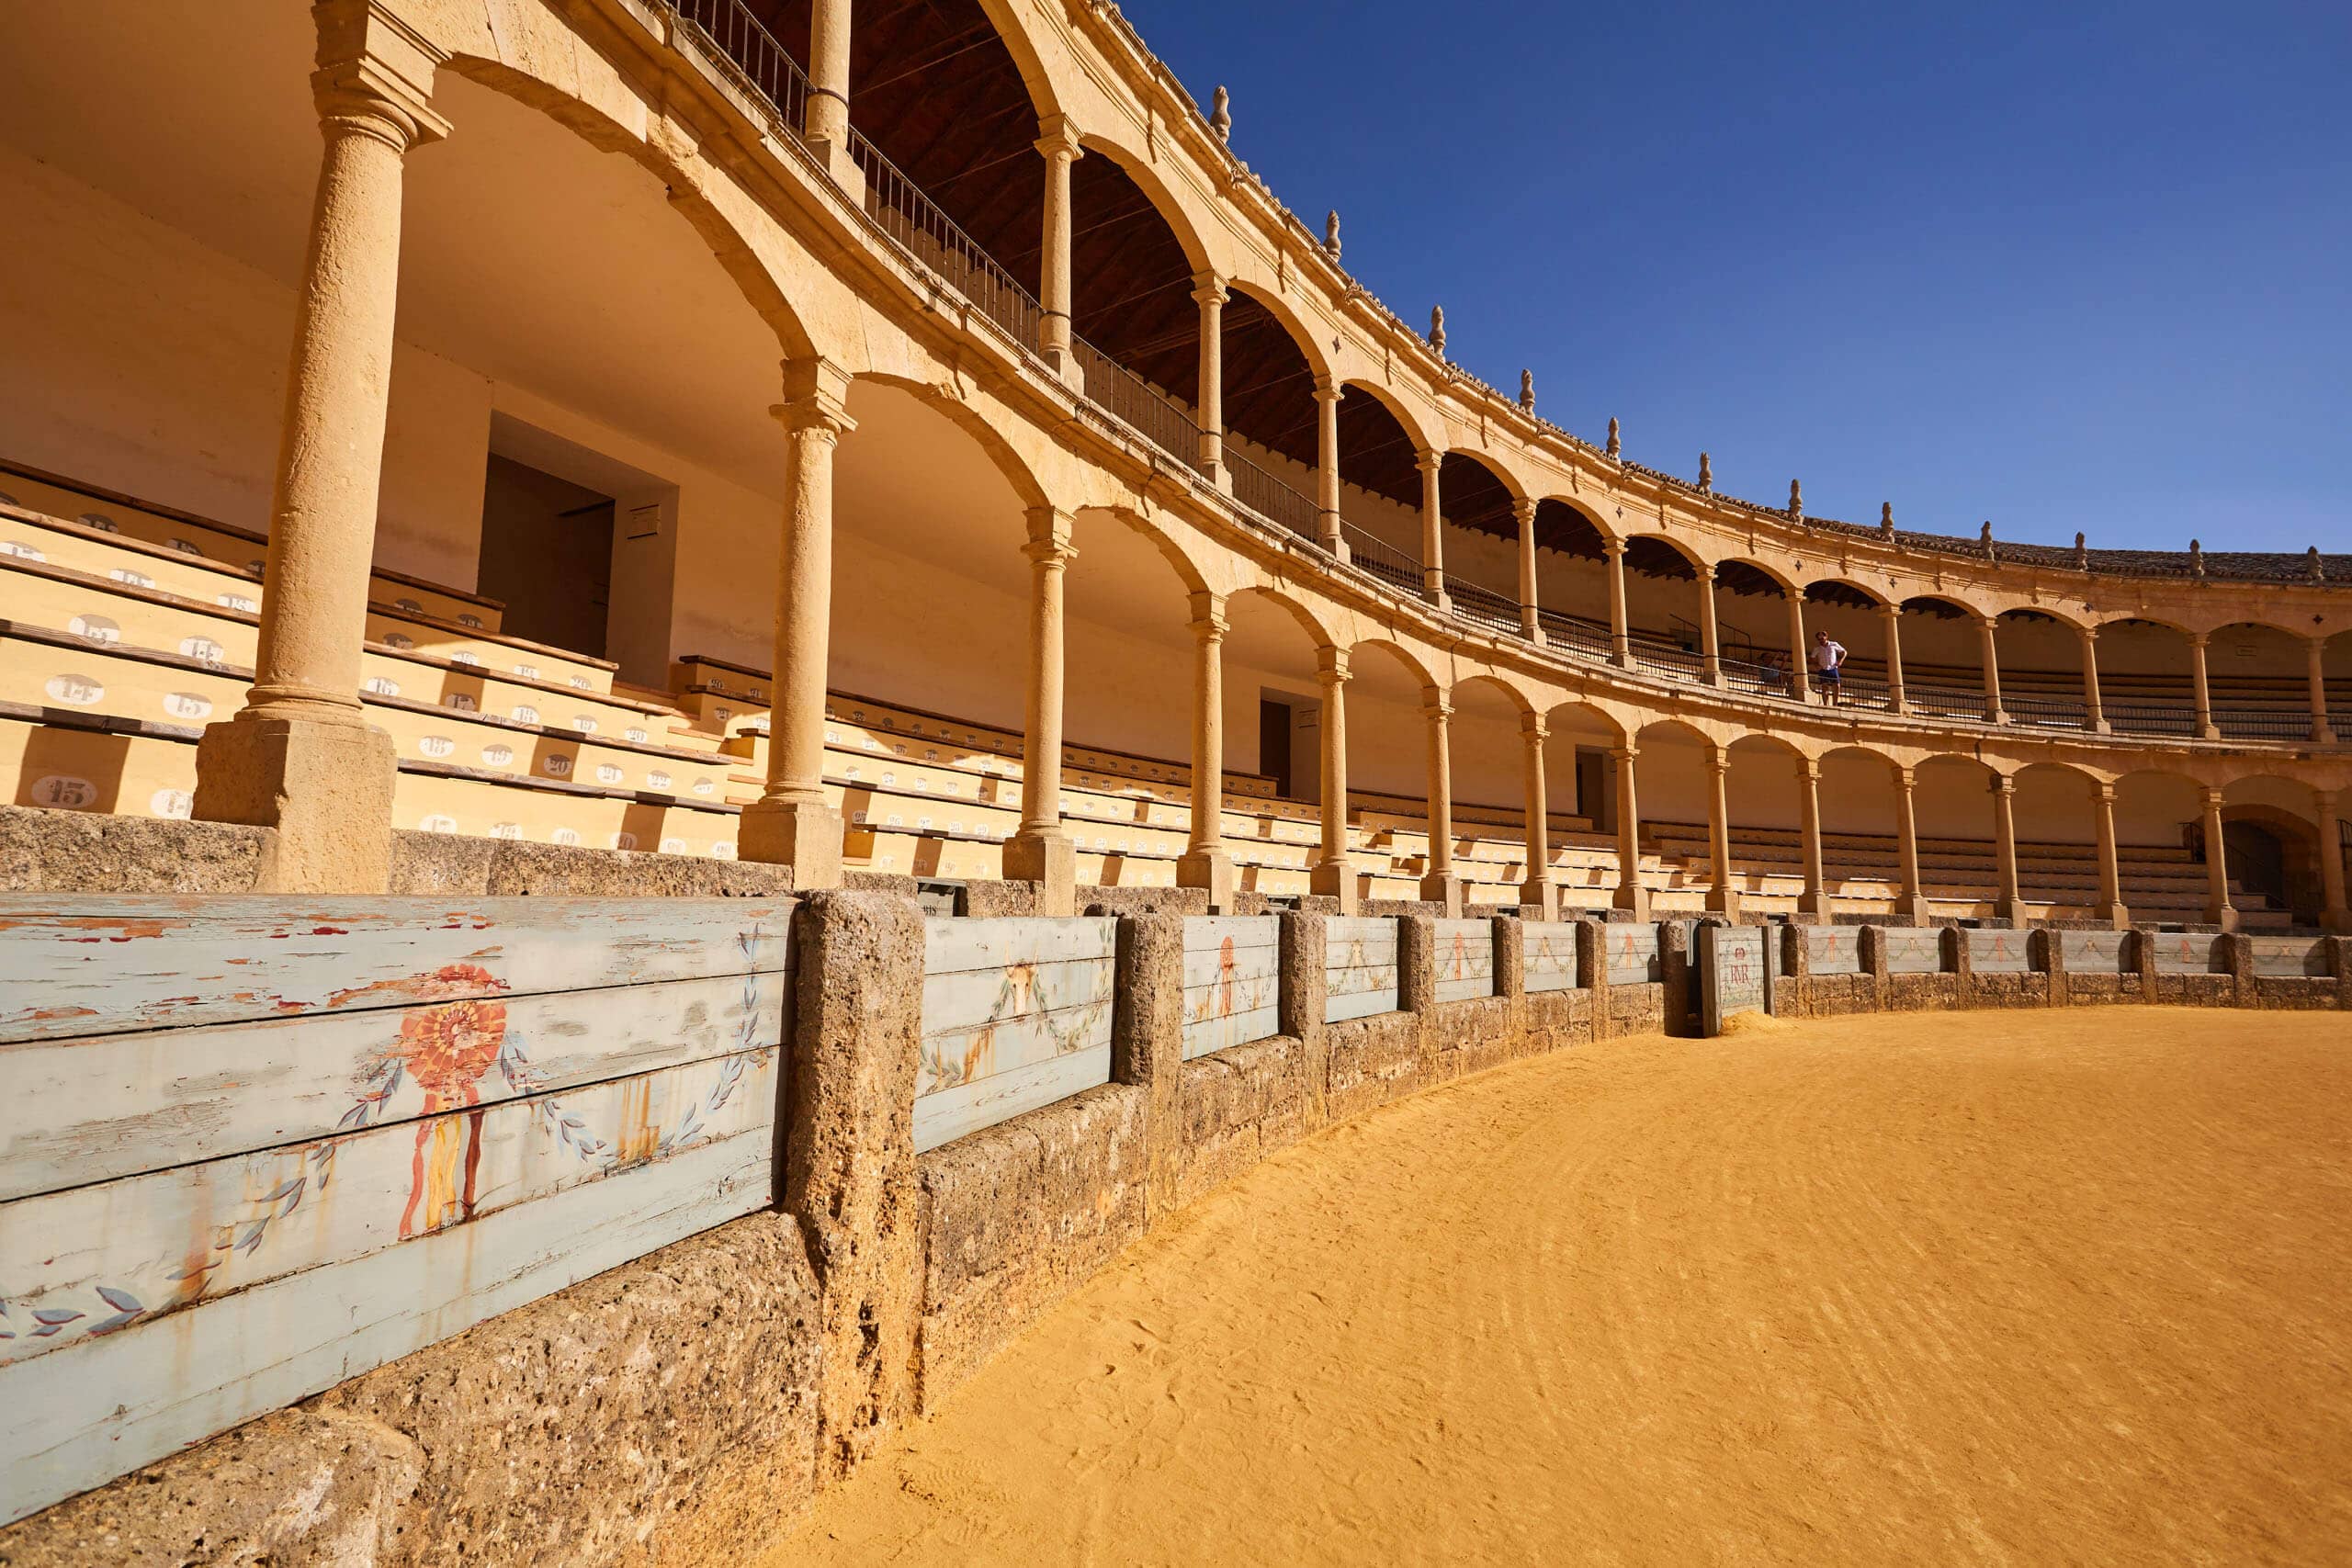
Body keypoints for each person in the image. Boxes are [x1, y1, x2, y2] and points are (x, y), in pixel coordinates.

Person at [1812, 629, 1848, 705]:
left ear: (1826, 637)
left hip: (1833, 668)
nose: (1821, 640)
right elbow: (1812, 658)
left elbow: (1844, 652)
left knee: (1837, 686)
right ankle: (1825, 704)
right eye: (1819, 639)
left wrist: (1841, 661)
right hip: (1823, 669)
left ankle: (1835, 704)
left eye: (1822, 638)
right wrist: (1816, 665)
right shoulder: (1817, 649)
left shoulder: (1833, 644)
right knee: (1824, 688)